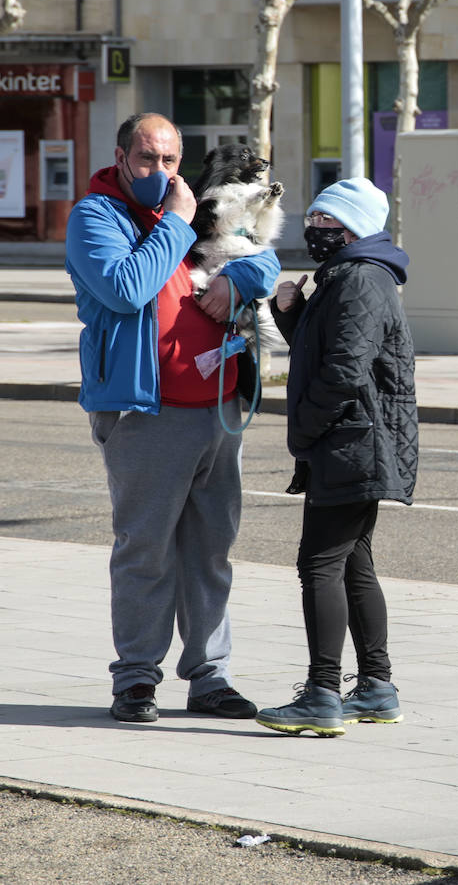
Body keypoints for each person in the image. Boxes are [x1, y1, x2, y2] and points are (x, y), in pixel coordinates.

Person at [65, 112, 281, 723]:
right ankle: (136, 677)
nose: (160, 172)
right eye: (146, 160)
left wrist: (240, 277)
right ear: (121, 157)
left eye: (170, 161)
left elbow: (263, 259)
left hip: (217, 405)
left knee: (210, 550)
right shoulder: (96, 215)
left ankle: (209, 676)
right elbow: (126, 288)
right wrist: (178, 224)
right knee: (147, 548)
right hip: (145, 411)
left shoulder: (194, 208)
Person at [255, 177, 418, 737]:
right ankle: (375, 686)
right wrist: (290, 312)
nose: (318, 230)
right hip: (355, 439)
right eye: (316, 220)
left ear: (358, 230)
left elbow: (346, 367)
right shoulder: (348, 277)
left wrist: (304, 426)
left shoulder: (362, 279)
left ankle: (323, 693)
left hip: (353, 442)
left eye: (334, 224)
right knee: (353, 563)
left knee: (319, 564)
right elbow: (327, 349)